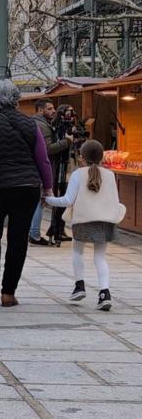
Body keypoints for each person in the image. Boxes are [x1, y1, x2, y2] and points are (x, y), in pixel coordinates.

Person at [0, 80, 54, 307]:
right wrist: (47, 188)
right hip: (26, 187)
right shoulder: (30, 124)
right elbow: (42, 159)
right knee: (18, 239)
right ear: (16, 98)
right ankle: (9, 292)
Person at [45, 140, 125, 311]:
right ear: (102, 157)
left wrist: (48, 199)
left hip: (83, 220)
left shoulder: (78, 174)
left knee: (77, 251)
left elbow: (68, 200)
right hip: (105, 221)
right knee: (100, 257)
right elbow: (115, 200)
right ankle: (105, 294)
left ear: (82, 158)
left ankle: (79, 286)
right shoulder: (110, 175)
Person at [29, 99, 72, 246]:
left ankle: (33, 232)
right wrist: (67, 141)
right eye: (50, 108)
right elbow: (47, 149)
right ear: (40, 110)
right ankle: (34, 234)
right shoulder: (43, 126)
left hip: (35, 167)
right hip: (41, 168)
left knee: (37, 201)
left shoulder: (36, 123)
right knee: (39, 201)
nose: (53, 111)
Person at [46, 104, 79, 243]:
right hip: (59, 164)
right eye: (68, 112)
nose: (70, 115)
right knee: (61, 196)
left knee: (67, 197)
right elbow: (54, 146)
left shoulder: (69, 127)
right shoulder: (56, 128)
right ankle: (55, 228)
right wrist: (67, 140)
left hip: (69, 164)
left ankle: (61, 228)